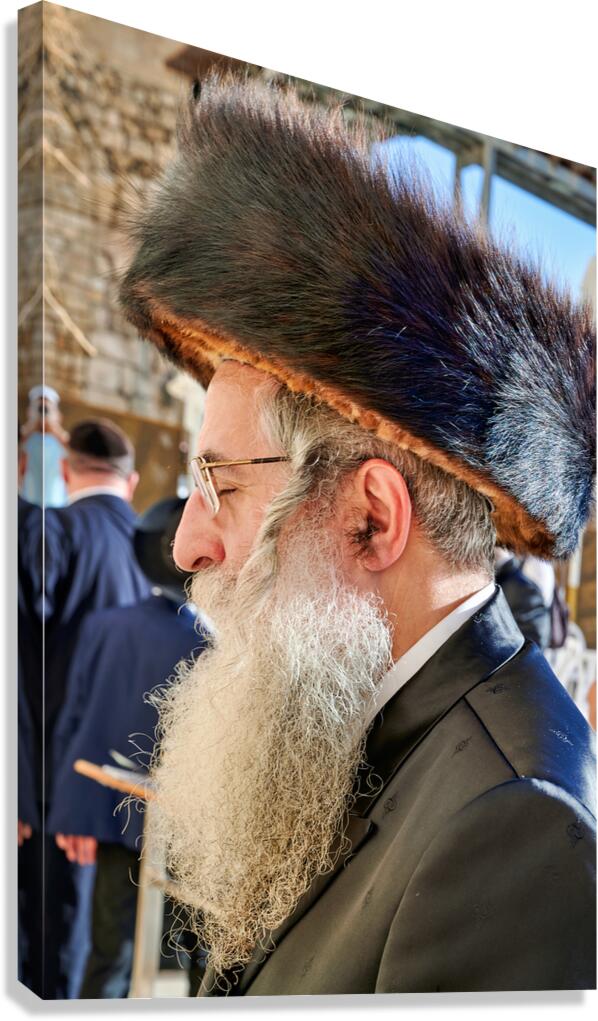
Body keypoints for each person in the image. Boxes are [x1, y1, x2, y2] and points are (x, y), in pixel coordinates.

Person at [118, 75, 596, 994]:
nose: (185, 545)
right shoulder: (360, 716)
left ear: (370, 517)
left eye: (218, 482)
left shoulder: (518, 830)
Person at [47, 498, 208, 998]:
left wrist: (72, 814)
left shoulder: (105, 626)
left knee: (109, 952)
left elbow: (75, 720)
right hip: (187, 829)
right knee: (193, 957)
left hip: (115, 816)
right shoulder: (213, 640)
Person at [18, 417, 151, 999]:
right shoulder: (163, 551)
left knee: (45, 949)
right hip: (130, 792)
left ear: (67, 471)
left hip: (47, 786)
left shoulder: (51, 533)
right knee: (108, 955)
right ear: (133, 480)